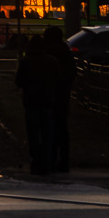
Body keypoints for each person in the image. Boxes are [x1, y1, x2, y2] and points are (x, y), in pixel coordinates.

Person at [14, 34, 59, 176]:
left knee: (33, 133)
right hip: (47, 102)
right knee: (47, 134)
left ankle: (35, 160)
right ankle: (46, 161)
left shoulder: (26, 62)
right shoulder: (52, 61)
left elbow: (19, 82)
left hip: (31, 102)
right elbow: (58, 79)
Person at [43, 25, 77, 173]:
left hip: (49, 95)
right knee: (61, 127)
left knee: (47, 127)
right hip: (63, 95)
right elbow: (72, 73)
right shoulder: (66, 52)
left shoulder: (47, 53)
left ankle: (50, 158)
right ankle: (63, 160)